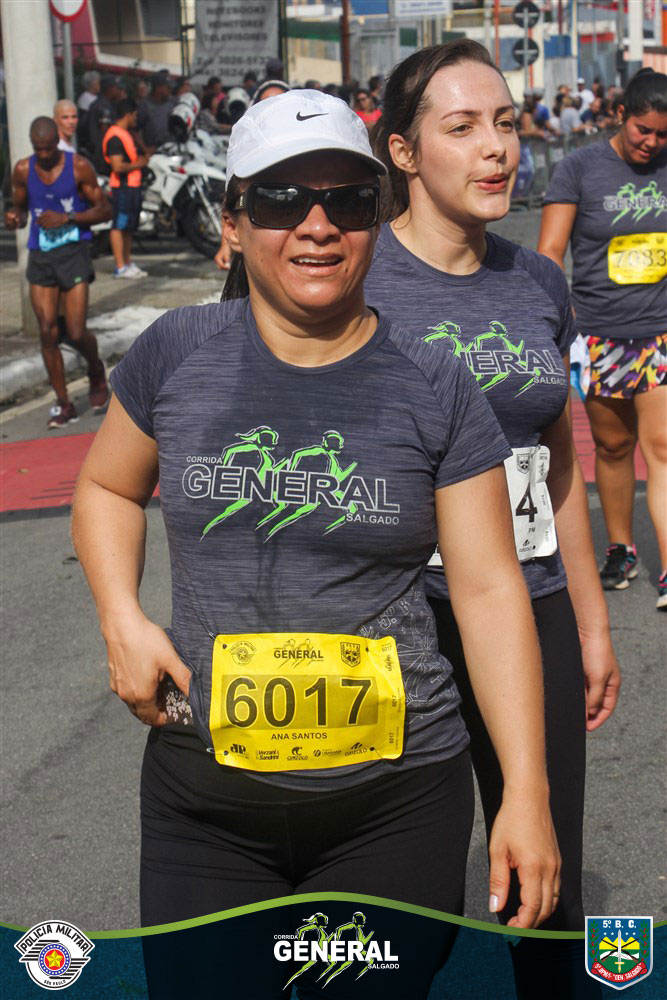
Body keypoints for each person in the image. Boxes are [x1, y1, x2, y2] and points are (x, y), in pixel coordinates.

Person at [72, 89, 560, 999]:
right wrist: (121, 619)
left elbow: (490, 591)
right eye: (281, 199)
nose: (317, 225)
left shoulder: (435, 383)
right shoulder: (176, 353)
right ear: (233, 222)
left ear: (377, 215)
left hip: (394, 804)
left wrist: (525, 795)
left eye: (347, 200)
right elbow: (106, 487)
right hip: (205, 803)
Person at [365, 40, 621, 999]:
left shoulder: (536, 281)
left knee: (547, 885)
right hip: (400, 616)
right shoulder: (356, 278)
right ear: (402, 151)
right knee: (403, 897)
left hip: (531, 600)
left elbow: (558, 463)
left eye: (506, 124)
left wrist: (588, 623)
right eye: (463, 127)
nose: (496, 148)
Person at [538, 67, 667, 610]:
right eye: (643, 129)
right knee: (613, 447)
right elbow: (550, 253)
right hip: (598, 336)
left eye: (663, 134)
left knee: (662, 447)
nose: (652, 142)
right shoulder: (579, 169)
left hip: (659, 333)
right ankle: (621, 549)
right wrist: (550, 319)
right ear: (620, 115)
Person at [4, 117, 111, 427]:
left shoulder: (78, 166)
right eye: (38, 148)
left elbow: (105, 210)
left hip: (73, 253)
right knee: (47, 330)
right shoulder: (23, 169)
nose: (44, 154)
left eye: (49, 148)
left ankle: (95, 369)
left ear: (57, 144)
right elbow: (20, 210)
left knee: (75, 332)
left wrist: (68, 218)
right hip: (41, 256)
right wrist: (14, 218)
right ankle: (63, 402)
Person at [213, 80, 291, 271]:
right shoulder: (245, 147)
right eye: (267, 104)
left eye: (281, 103)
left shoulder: (309, 147)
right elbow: (232, 197)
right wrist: (225, 245)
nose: (274, 110)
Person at [102, 98, 149, 280]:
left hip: (132, 186)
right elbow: (117, 166)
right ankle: (120, 266)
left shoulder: (125, 133)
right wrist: (139, 164)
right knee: (119, 225)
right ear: (128, 115)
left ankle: (127, 263)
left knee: (128, 227)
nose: (135, 119)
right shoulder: (115, 136)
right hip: (122, 187)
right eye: (134, 115)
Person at [83, 74, 122, 173]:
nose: (119, 91)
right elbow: (104, 131)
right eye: (117, 88)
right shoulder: (103, 106)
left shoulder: (105, 104)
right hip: (101, 156)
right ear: (110, 88)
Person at [136, 70, 175, 150]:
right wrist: (145, 149)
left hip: (172, 149)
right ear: (158, 88)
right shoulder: (144, 105)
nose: (170, 90)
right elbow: (134, 130)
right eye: (168, 87)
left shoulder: (172, 103)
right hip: (155, 151)